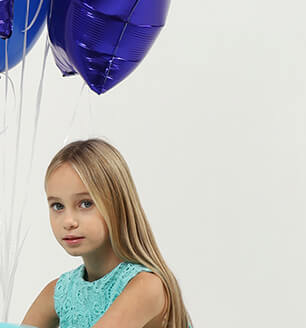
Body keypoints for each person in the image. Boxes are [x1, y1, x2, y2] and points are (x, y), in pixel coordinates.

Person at [21, 139, 190, 328]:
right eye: (58, 206)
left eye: (86, 203)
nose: (68, 221)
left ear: (117, 205)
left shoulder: (147, 286)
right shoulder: (59, 293)